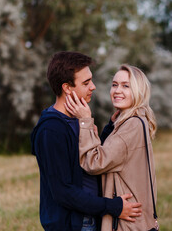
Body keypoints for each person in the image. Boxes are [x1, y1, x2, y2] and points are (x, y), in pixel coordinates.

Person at [30, 52, 142, 231]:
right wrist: (113, 207)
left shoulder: (77, 118)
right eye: (86, 82)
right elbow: (63, 192)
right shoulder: (51, 130)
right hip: (74, 224)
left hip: (91, 219)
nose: (93, 87)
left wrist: (108, 129)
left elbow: (89, 162)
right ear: (67, 87)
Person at [65, 64, 158, 231]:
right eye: (114, 84)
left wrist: (85, 121)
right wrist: (108, 128)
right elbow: (114, 157)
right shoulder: (136, 120)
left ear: (139, 91)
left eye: (126, 86)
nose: (117, 90)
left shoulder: (131, 126)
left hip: (126, 223)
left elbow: (94, 163)